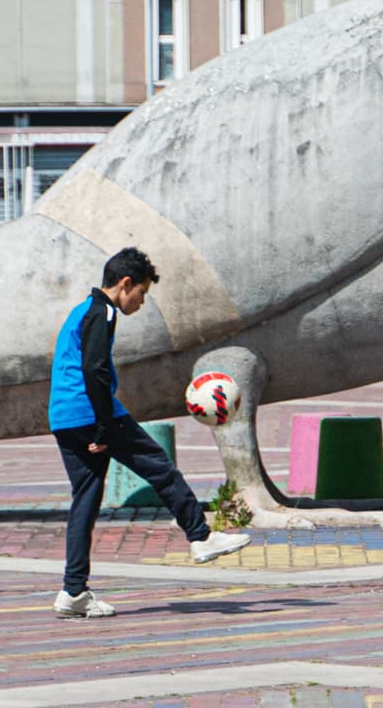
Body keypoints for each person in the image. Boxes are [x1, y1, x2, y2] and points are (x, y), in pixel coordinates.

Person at [48, 246, 250, 618]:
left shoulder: (81, 311)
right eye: (141, 293)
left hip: (63, 417)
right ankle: (201, 537)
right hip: (91, 411)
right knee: (160, 468)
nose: (141, 303)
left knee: (86, 500)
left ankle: (73, 591)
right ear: (126, 284)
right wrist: (106, 426)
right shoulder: (103, 312)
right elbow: (95, 371)